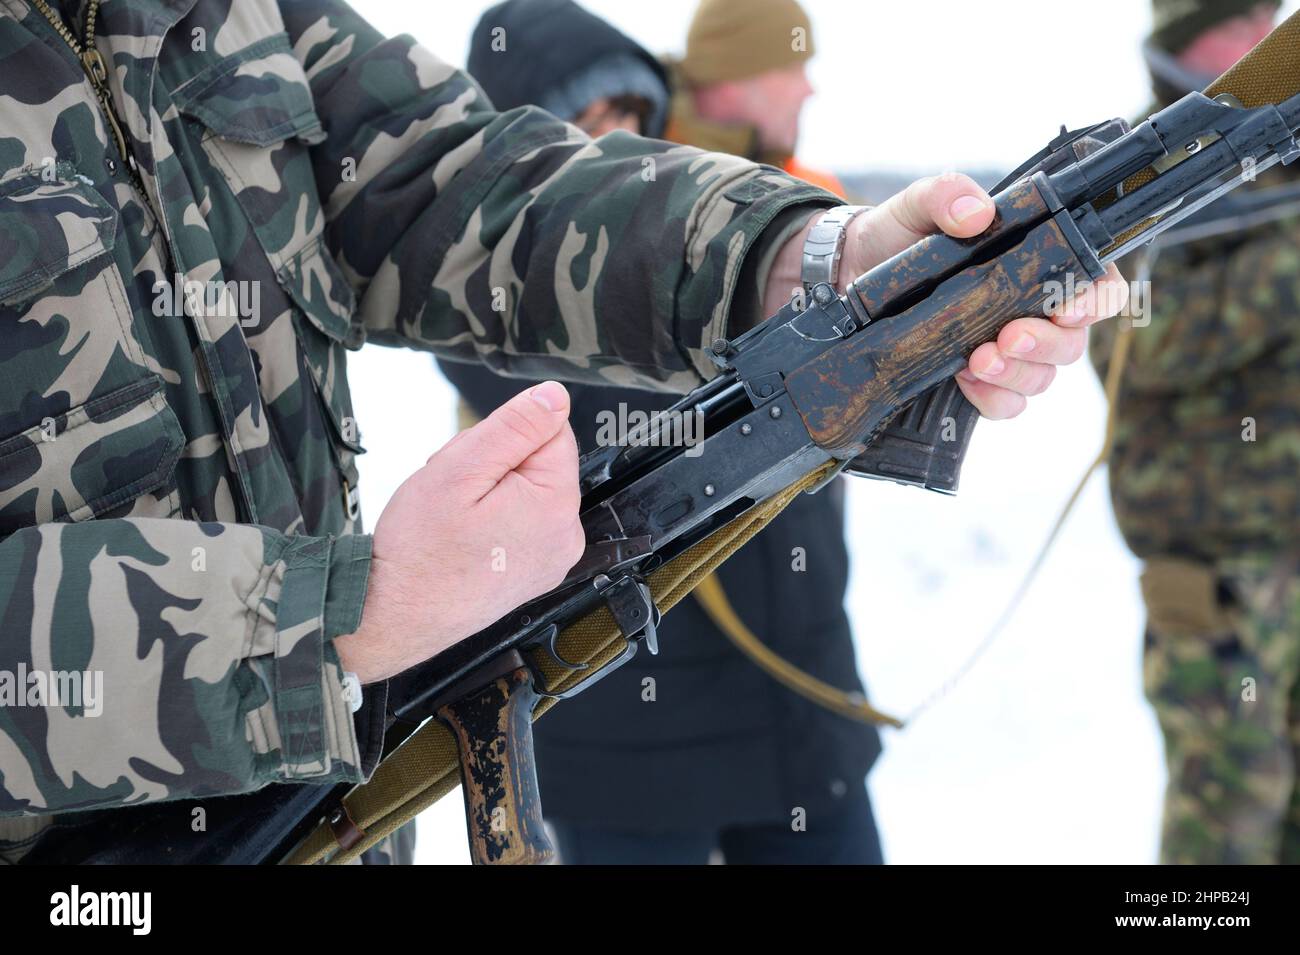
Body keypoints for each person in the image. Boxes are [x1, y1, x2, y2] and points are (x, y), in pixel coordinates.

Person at [0, 0, 1119, 865]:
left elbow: (456, 183)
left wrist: (810, 266)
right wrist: (322, 614)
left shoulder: (225, 13)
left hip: (324, 826)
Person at [440, 0, 885, 866]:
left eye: (628, 121)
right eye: (582, 123)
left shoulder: (705, 240)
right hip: (628, 744)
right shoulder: (485, 302)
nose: (610, 150)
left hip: (796, 699)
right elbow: (604, 418)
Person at [1090, 0, 1300, 864]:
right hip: (1216, 576)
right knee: (1228, 831)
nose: (1274, 35)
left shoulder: (1283, 151)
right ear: (1194, 36)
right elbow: (1132, 339)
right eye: (1252, 17)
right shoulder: (1138, 168)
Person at [664, 0, 846, 196]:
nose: (809, 89)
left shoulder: (815, 190)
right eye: (792, 70)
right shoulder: (647, 177)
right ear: (731, 76)